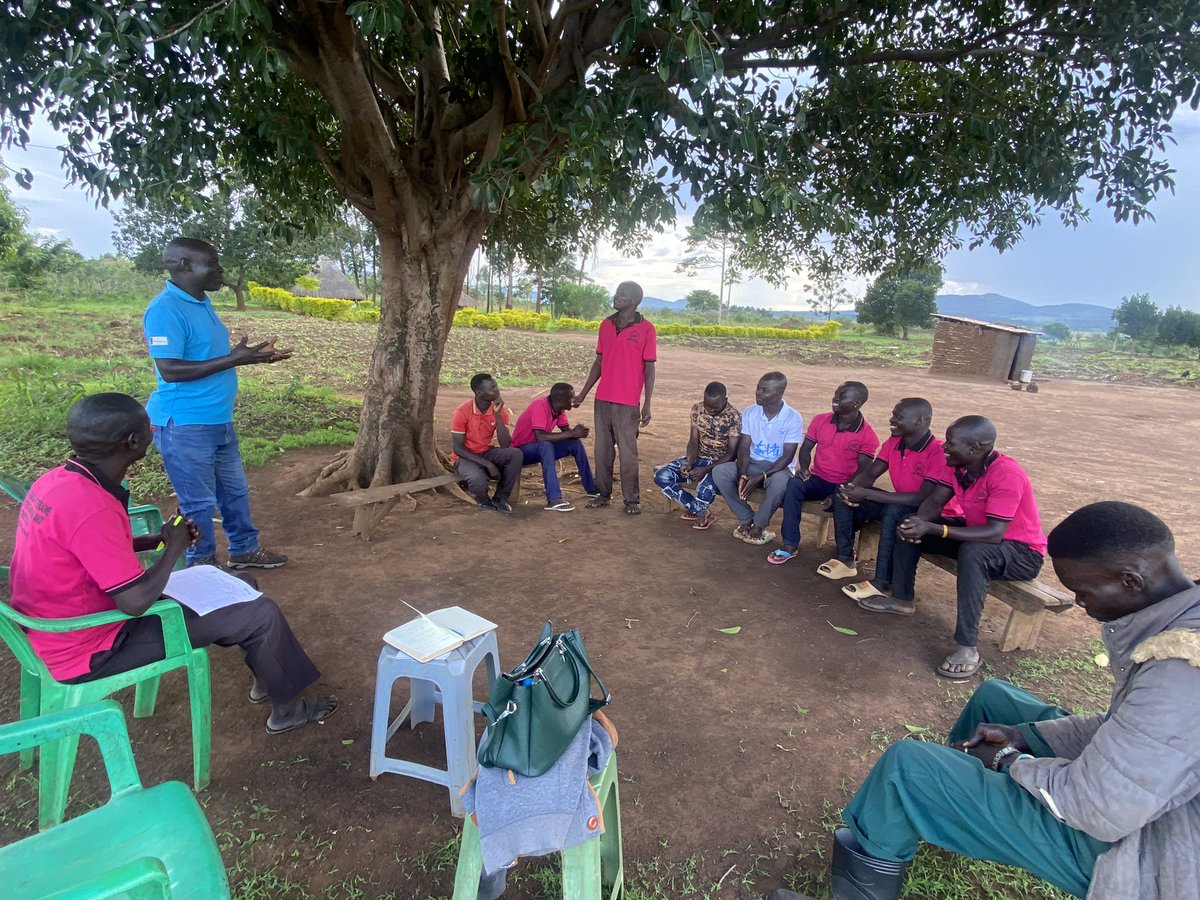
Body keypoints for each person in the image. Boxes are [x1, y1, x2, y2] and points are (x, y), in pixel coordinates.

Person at [773, 501, 1200, 900]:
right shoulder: (1185, 614)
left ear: (1131, 579)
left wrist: (1009, 761)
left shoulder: (1179, 670)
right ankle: (939, 815)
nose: (1080, 603)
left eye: (1084, 591)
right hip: (1147, 803)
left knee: (907, 769)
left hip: (1148, 853)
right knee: (997, 700)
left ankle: (907, 821)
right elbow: (1128, 728)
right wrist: (1020, 735)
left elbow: (1100, 807)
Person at [8, 393, 337, 734]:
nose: (153, 429)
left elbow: (80, 548)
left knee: (244, 584)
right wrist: (173, 549)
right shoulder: (92, 505)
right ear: (133, 441)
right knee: (261, 613)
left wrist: (155, 541)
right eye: (148, 426)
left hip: (64, 621)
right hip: (91, 645)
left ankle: (269, 681)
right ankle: (286, 711)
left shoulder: (59, 481)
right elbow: (134, 603)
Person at [143, 237, 290, 569]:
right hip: (184, 424)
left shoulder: (200, 302)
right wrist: (235, 360)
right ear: (184, 265)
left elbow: (212, 358)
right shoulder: (165, 309)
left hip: (217, 421)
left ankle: (244, 549)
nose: (220, 271)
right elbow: (170, 369)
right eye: (213, 263)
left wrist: (250, 359)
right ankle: (202, 564)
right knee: (198, 504)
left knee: (234, 493)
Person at [860, 416, 1045, 678]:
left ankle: (967, 648)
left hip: (1021, 552)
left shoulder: (1006, 473)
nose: (944, 447)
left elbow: (994, 533)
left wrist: (936, 529)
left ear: (975, 448)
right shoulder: (958, 466)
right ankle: (901, 599)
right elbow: (935, 502)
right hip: (977, 537)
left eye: (950, 443)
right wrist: (919, 523)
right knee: (910, 526)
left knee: (973, 553)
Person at [823, 398, 956, 593]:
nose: (891, 420)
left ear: (918, 421)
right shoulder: (895, 442)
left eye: (898, 417)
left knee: (894, 511)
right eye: (893, 415)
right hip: (902, 503)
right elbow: (870, 473)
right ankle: (845, 559)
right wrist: (850, 491)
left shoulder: (937, 451)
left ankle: (882, 580)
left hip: (931, 515)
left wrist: (866, 493)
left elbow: (922, 499)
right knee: (843, 489)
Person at [768, 382, 879, 565]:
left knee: (844, 500)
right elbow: (806, 450)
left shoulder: (867, 435)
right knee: (794, 485)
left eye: (842, 396)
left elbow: (863, 471)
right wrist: (804, 469)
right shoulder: (821, 420)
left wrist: (839, 491)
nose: (835, 398)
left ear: (857, 403)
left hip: (844, 484)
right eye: (836, 394)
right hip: (817, 478)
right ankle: (790, 544)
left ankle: (844, 555)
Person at [573, 281, 656, 514]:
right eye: (617, 293)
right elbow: (599, 362)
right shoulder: (605, 325)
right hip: (603, 400)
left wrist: (647, 403)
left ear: (634, 301)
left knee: (628, 454)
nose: (616, 297)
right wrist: (583, 393)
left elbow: (649, 369)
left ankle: (632, 499)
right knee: (603, 450)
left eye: (623, 294)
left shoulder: (646, 329)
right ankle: (603, 493)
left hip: (628, 402)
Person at [710, 372, 804, 546]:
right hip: (752, 463)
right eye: (758, 388)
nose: (758, 393)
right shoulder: (751, 412)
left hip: (778, 469)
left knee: (780, 484)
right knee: (720, 472)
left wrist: (761, 477)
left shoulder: (793, 417)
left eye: (764, 390)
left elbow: (787, 456)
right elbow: (744, 446)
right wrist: (743, 473)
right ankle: (746, 519)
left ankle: (759, 526)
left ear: (779, 393)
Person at [653, 381, 741, 530]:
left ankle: (696, 508)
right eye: (707, 406)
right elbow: (693, 441)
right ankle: (698, 509)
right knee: (661, 475)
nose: (710, 410)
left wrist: (705, 470)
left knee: (703, 489)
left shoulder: (734, 416)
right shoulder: (697, 409)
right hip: (699, 458)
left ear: (725, 401)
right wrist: (689, 462)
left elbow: (731, 454)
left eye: (715, 407)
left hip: (720, 465)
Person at [509, 383, 597, 512]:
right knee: (546, 445)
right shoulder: (540, 405)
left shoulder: (558, 409)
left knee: (575, 444)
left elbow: (567, 433)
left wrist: (578, 433)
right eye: (571, 399)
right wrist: (571, 433)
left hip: (540, 449)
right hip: (521, 452)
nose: (574, 400)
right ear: (561, 401)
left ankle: (592, 488)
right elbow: (541, 437)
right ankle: (554, 499)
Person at [450, 373, 524, 514]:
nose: (497, 390)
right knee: (478, 479)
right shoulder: (462, 411)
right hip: (465, 457)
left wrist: (497, 414)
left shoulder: (499, 409)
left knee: (515, 454)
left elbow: (505, 444)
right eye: (492, 388)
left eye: (496, 386)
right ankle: (482, 499)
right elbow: (458, 449)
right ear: (478, 392)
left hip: (486, 452)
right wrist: (488, 464)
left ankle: (501, 498)